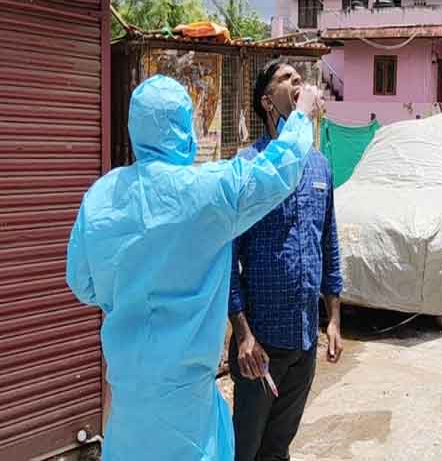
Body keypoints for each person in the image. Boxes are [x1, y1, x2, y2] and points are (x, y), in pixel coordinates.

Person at [66, 74, 322, 461]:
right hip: (187, 411)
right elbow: (278, 171)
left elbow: (81, 283)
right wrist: (301, 114)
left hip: (129, 403)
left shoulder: (101, 197)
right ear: (186, 127)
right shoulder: (208, 192)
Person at [229, 59, 344, 461]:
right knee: (246, 448)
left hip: (303, 340)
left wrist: (332, 319)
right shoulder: (248, 166)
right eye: (285, 78)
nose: (298, 82)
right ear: (267, 101)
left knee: (279, 447)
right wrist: (242, 333)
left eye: (300, 77)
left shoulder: (319, 166)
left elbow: (328, 243)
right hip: (260, 345)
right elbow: (229, 257)